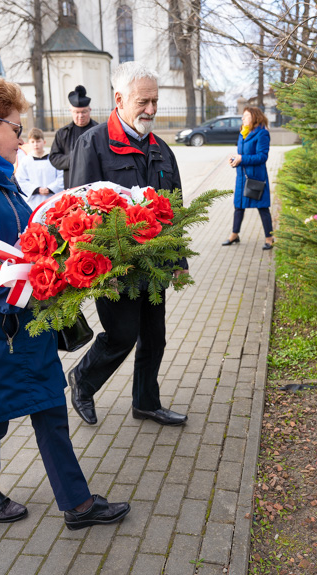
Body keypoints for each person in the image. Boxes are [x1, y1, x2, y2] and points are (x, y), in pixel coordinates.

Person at [0, 75, 130, 528]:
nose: (21, 140)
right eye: (15, 129)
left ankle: (75, 504)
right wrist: (41, 282)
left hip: (15, 322)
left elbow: (16, 239)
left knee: (47, 406)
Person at [67, 61, 188, 427]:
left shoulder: (162, 150)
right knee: (122, 335)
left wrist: (179, 260)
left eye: (155, 101)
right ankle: (82, 381)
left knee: (155, 338)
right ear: (119, 99)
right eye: (143, 102)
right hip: (114, 267)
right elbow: (77, 211)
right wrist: (98, 271)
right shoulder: (93, 144)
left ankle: (146, 403)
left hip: (154, 265)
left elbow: (176, 209)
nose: (151, 110)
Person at [222, 106, 275, 250]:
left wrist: (242, 158)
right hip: (242, 176)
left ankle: (269, 238)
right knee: (238, 206)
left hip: (256, 177)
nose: (242, 118)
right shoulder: (243, 132)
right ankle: (234, 234)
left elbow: (262, 157)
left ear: (254, 117)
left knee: (263, 208)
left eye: (245, 116)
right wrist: (235, 160)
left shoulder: (262, 133)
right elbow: (242, 155)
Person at [50, 85, 97, 189]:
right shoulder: (62, 133)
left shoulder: (99, 131)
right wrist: (75, 159)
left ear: (90, 110)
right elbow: (54, 158)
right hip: (71, 185)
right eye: (77, 112)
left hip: (95, 186)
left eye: (84, 112)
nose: (80, 116)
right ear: (71, 111)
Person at [16, 128, 64, 209]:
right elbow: (20, 180)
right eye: (32, 142)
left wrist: (50, 188)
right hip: (34, 202)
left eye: (38, 141)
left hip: (52, 199)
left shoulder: (52, 159)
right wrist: (37, 189)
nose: (35, 144)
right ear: (28, 143)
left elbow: (61, 176)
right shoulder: (25, 161)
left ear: (44, 142)